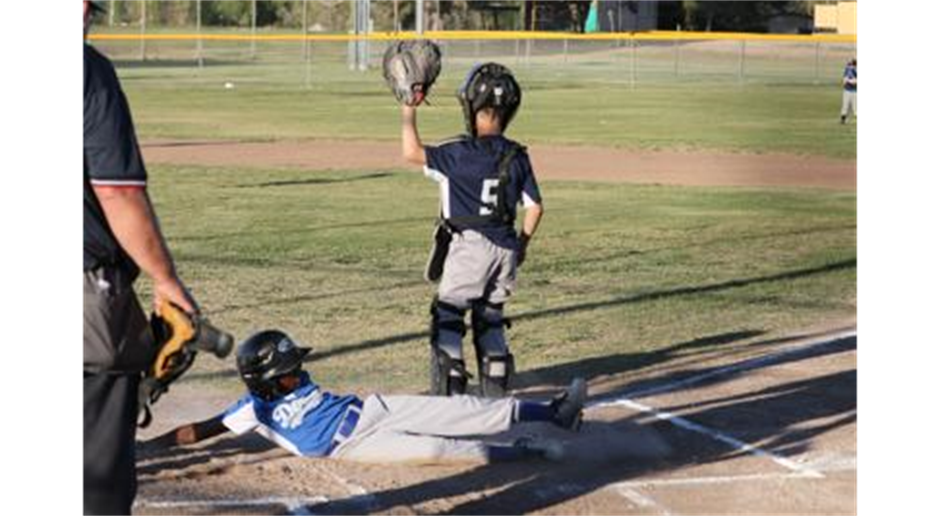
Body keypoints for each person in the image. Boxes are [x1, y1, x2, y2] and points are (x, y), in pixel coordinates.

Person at [144, 331, 588, 464]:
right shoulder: (252, 410)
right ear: (267, 381)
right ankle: (529, 453)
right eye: (289, 371)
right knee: (439, 448)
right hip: (351, 447)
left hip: (370, 408)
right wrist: (148, 446)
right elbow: (197, 432)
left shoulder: (286, 385)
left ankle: (553, 413)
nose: (298, 373)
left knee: (457, 410)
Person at [83, 1, 197, 513]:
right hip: (89, 295)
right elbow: (118, 193)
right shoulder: (89, 71)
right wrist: (166, 280)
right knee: (98, 480)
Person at [401, 63, 545, 398]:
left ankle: (451, 396)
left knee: (448, 315)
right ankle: (495, 396)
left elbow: (411, 152)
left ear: (471, 107)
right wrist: (521, 245)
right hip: (506, 245)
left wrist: (408, 108)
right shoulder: (517, 154)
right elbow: (535, 208)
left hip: (471, 247)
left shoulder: (458, 153)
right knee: (490, 318)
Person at [841, 58, 858, 125]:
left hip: (854, 91)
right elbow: (845, 80)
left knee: (855, 108)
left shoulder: (853, 70)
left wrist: (849, 81)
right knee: (845, 105)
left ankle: (844, 119)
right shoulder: (848, 69)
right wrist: (847, 81)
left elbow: (855, 82)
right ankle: (843, 119)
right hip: (848, 90)